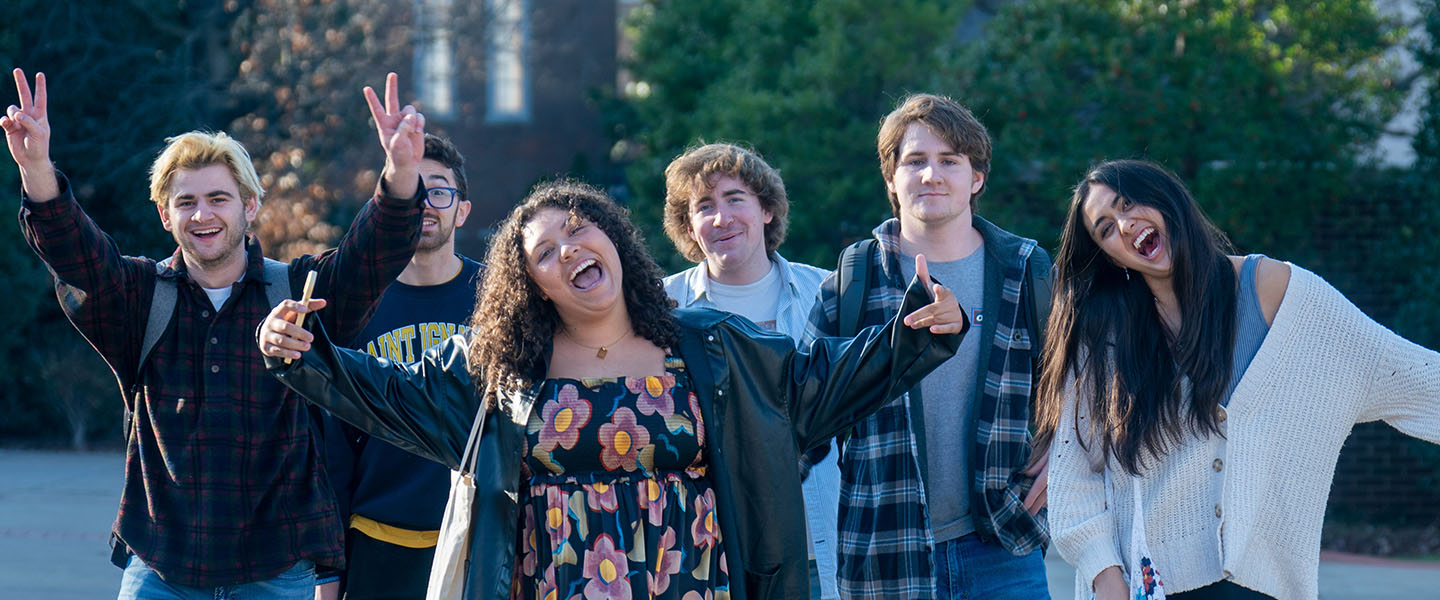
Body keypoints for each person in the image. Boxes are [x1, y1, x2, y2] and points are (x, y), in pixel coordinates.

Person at [256, 180, 968, 599]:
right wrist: (298, 353)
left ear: (615, 241)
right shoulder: (498, 374)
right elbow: (380, 391)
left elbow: (826, 383)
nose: (567, 251)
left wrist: (920, 335)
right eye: (543, 253)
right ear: (530, 282)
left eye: (577, 231)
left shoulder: (717, 347)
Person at [6, 68, 427, 599]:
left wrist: (401, 172)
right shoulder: (139, 295)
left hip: (276, 572)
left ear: (249, 207)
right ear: (165, 215)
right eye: (185, 202)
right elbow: (75, 256)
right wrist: (37, 166)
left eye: (219, 199)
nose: (202, 214)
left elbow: (374, 256)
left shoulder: (298, 291)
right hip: (160, 569)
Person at [1035, 159, 1440, 600]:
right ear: (1108, 256)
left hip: (1265, 586)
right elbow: (1075, 475)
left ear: (1167, 197)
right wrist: (1105, 576)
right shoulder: (1105, 335)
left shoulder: (1279, 293)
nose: (1125, 225)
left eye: (1128, 203)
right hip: (1146, 586)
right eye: (1106, 229)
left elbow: (1411, 377)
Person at [806, 93, 1053, 599]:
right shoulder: (853, 280)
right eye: (914, 161)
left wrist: (1065, 450)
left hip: (1004, 547)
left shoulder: (1024, 269)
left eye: (949, 161)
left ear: (976, 178)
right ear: (892, 181)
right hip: (885, 556)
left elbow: (1079, 384)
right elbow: (805, 415)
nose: (930, 174)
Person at [659, 143, 841, 600]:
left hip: (824, 552)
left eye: (735, 199)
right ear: (689, 228)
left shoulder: (828, 293)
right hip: (713, 554)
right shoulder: (661, 309)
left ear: (766, 210)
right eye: (704, 207)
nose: (721, 218)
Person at [318, 134, 484, 599]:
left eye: (439, 191)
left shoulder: (497, 297)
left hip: (478, 533)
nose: (425, 205)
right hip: (377, 535)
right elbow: (333, 444)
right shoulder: (355, 299)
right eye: (413, 191)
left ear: (462, 210)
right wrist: (327, 574)